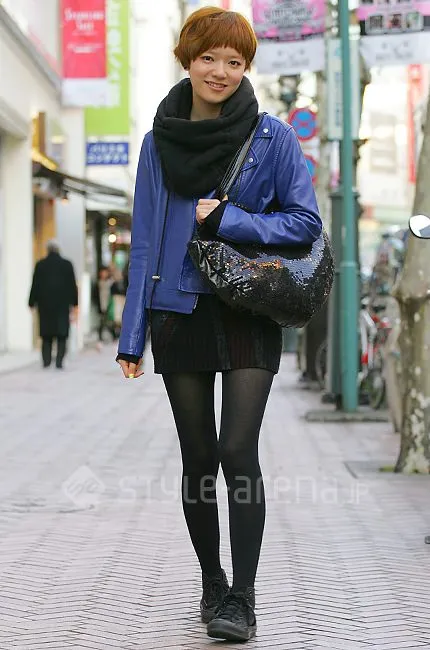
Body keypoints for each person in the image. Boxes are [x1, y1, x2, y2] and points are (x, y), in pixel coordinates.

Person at [116, 6, 321, 643]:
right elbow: (144, 243)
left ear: (246, 67)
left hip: (246, 307)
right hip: (177, 310)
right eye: (209, 57)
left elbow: (305, 223)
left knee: (237, 450)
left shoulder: (272, 138)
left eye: (235, 61)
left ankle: (243, 597)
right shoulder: (158, 142)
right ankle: (212, 580)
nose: (221, 71)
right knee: (199, 456)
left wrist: (230, 219)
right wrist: (132, 335)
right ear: (188, 60)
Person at [29, 239, 78, 369]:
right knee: (62, 334)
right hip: (62, 305)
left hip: (45, 305)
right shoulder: (67, 264)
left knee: (46, 334)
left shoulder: (40, 265)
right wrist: (75, 302)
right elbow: (72, 285)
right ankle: (59, 361)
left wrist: (31, 302)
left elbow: (35, 285)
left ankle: (46, 361)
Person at [92, 266, 115, 344]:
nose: (103, 274)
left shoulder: (111, 283)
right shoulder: (98, 283)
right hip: (101, 305)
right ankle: (100, 337)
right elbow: (95, 296)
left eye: (105, 272)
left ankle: (114, 335)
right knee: (101, 322)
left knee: (110, 322)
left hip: (109, 305)